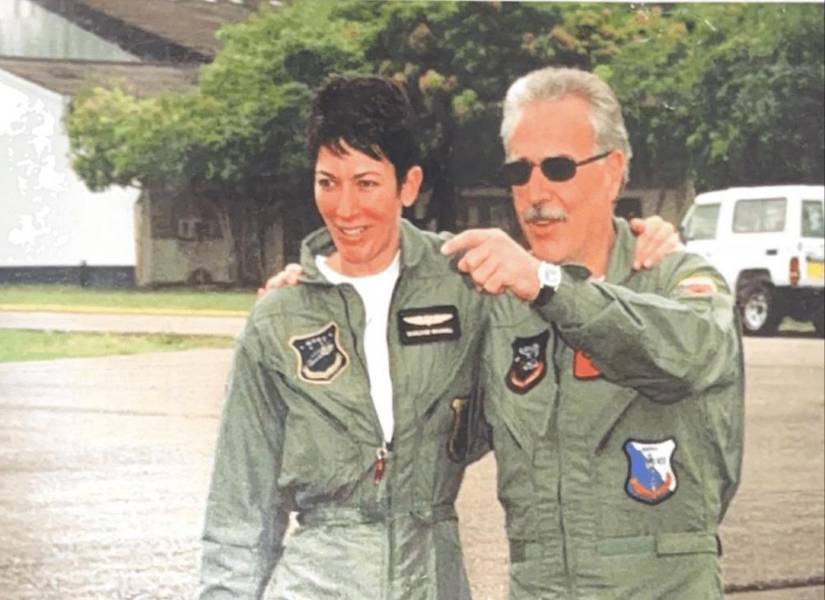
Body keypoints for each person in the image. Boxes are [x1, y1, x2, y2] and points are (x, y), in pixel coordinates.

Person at [442, 66, 744, 599]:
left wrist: (548, 286)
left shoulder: (677, 279)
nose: (536, 193)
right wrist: (313, 289)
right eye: (519, 171)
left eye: (559, 168)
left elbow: (688, 354)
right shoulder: (498, 304)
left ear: (613, 171)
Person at [198, 75, 498, 599]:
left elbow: (569, 321)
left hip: (433, 578)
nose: (344, 208)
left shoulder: (469, 285)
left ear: (408, 185)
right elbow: (239, 511)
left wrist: (642, 240)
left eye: (366, 183)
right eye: (327, 182)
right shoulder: (279, 319)